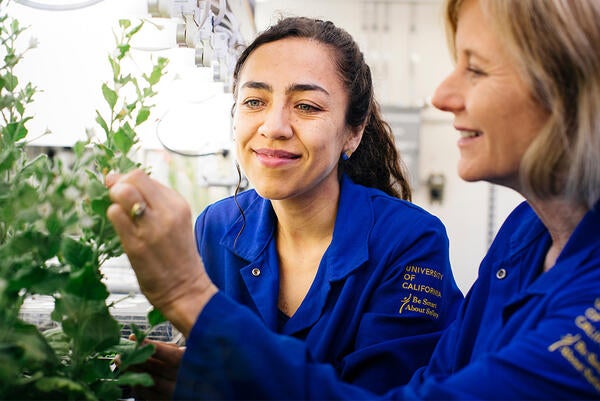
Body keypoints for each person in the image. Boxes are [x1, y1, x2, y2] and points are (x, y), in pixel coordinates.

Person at [107, 0, 600, 398]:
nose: (442, 96)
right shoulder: (525, 234)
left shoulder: (410, 240)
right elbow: (442, 381)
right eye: (254, 100)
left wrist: (188, 295)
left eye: (476, 69)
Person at [112, 16, 463, 399]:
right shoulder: (216, 227)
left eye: (307, 106)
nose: (274, 126)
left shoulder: (409, 241)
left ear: (353, 131)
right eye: (254, 101)